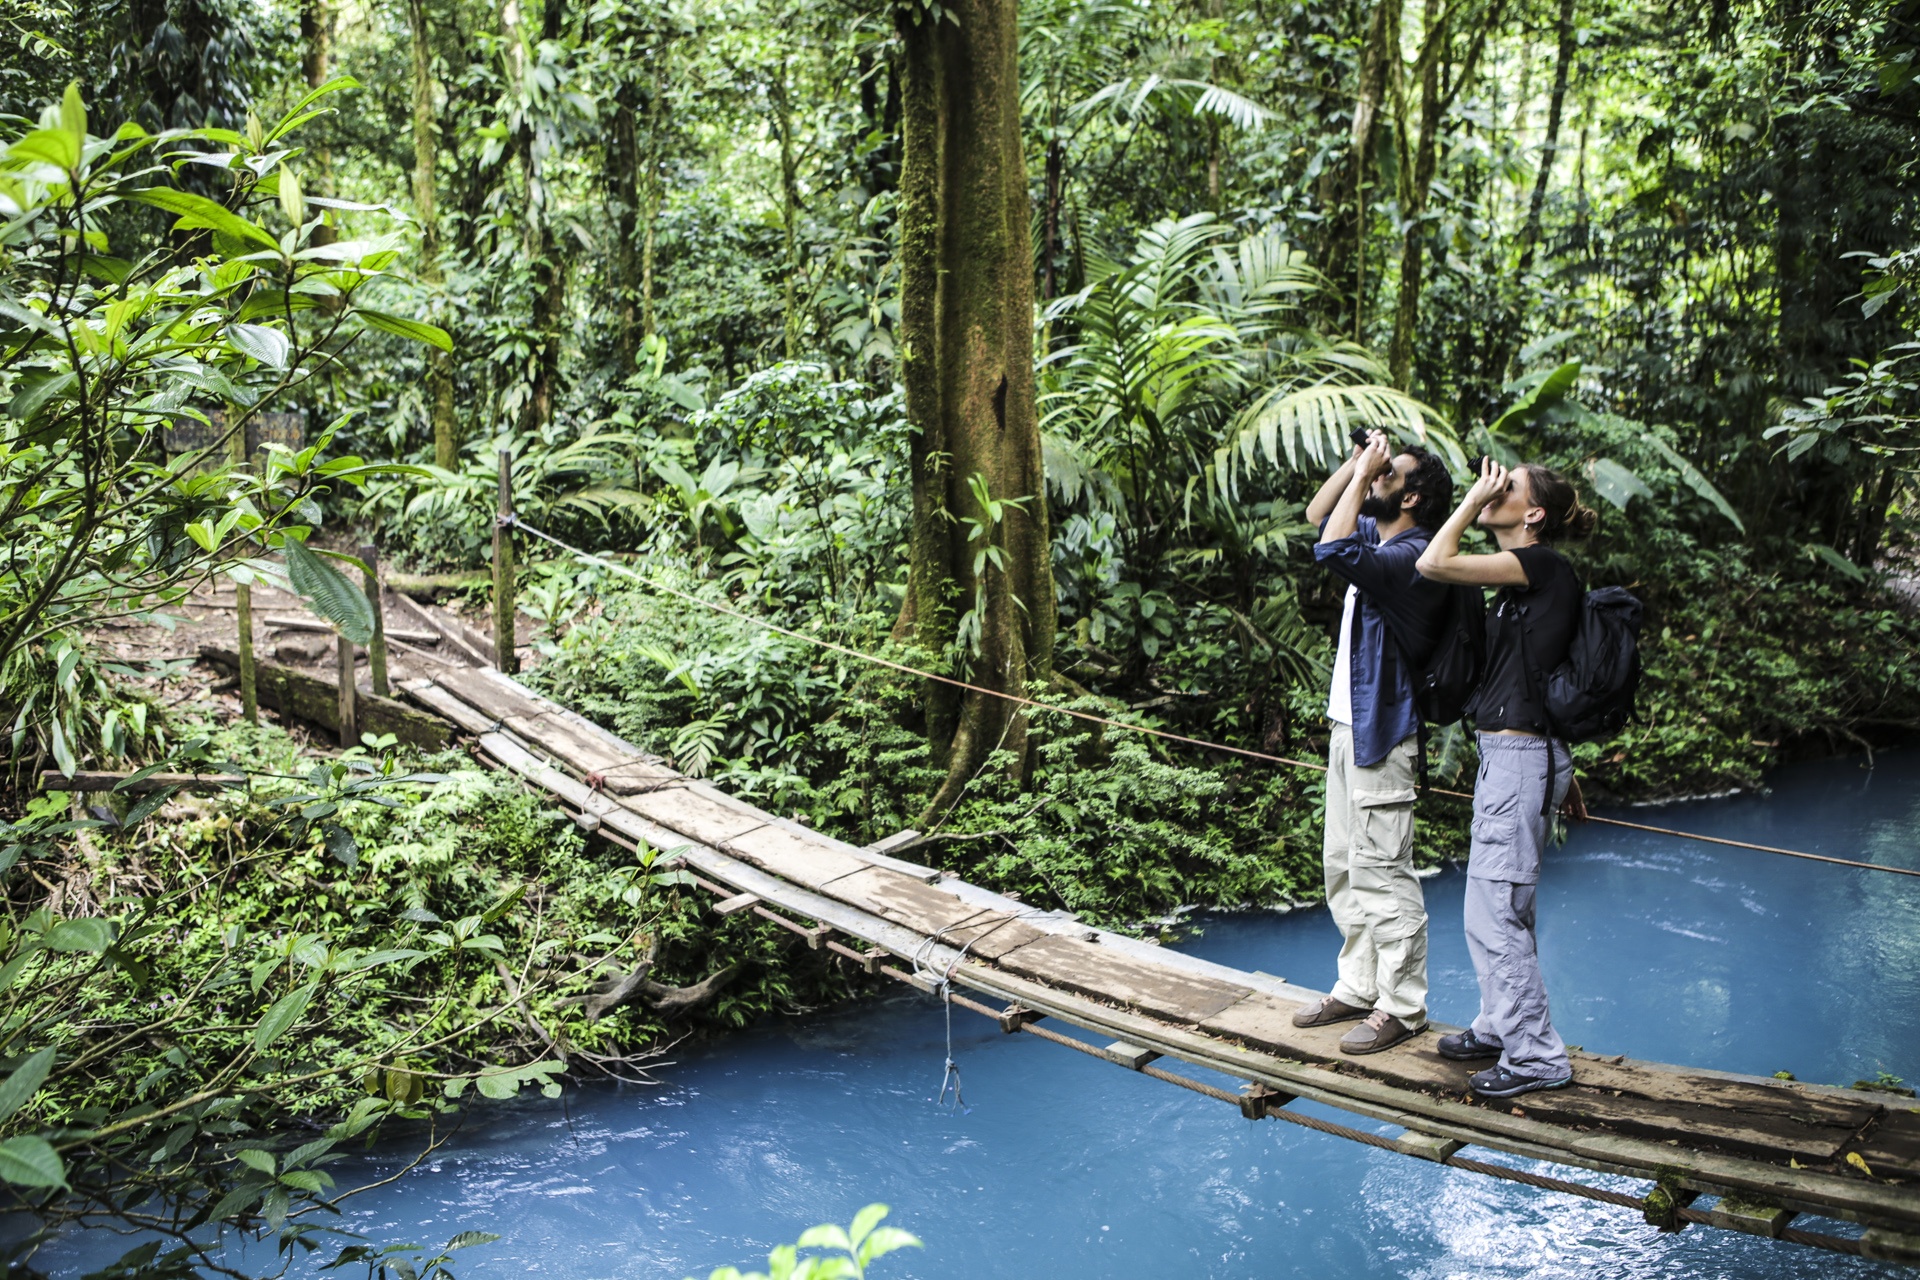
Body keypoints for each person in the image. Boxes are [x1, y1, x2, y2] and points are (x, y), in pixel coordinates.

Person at [1414, 457, 1597, 1099]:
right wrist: (1559, 768)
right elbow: (1540, 674)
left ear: (1535, 514)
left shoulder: (1540, 564)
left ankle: (1536, 1057)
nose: (1495, 491)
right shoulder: (1524, 582)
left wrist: (1469, 500)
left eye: (1508, 487)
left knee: (1497, 915)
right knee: (1491, 908)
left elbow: (1433, 562)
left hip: (1520, 763)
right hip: (1520, 759)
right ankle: (1499, 1024)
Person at [1292, 429, 1454, 1055]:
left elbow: (1327, 546)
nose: (1377, 477)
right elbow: (1318, 516)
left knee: (1383, 872)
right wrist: (1360, 464)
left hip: (1384, 736)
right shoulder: (1376, 539)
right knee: (1343, 865)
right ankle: (1358, 986)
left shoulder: (1409, 558)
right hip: (1347, 728)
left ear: (1412, 498)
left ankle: (1402, 1006)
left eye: (1389, 474)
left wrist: (1367, 473)